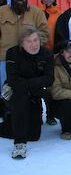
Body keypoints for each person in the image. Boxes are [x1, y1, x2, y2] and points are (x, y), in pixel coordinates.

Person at [5, 25, 54, 158]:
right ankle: (19, 143)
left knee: (34, 135)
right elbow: (13, 81)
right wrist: (37, 82)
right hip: (16, 92)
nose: (34, 44)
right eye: (29, 41)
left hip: (35, 92)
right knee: (20, 99)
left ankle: (10, 123)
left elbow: (49, 79)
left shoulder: (46, 53)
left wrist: (31, 85)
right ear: (22, 43)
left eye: (36, 40)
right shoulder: (12, 53)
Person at [0, 0, 49, 93]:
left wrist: (33, 47)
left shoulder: (36, 13)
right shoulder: (1, 12)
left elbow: (44, 32)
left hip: (29, 61)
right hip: (5, 61)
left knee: (24, 93)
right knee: (4, 93)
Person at [38, 0, 62, 125]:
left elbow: (60, 34)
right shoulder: (36, 12)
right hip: (38, 53)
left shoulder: (59, 14)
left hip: (53, 53)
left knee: (51, 85)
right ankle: (39, 113)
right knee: (38, 86)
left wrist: (58, 52)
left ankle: (50, 115)